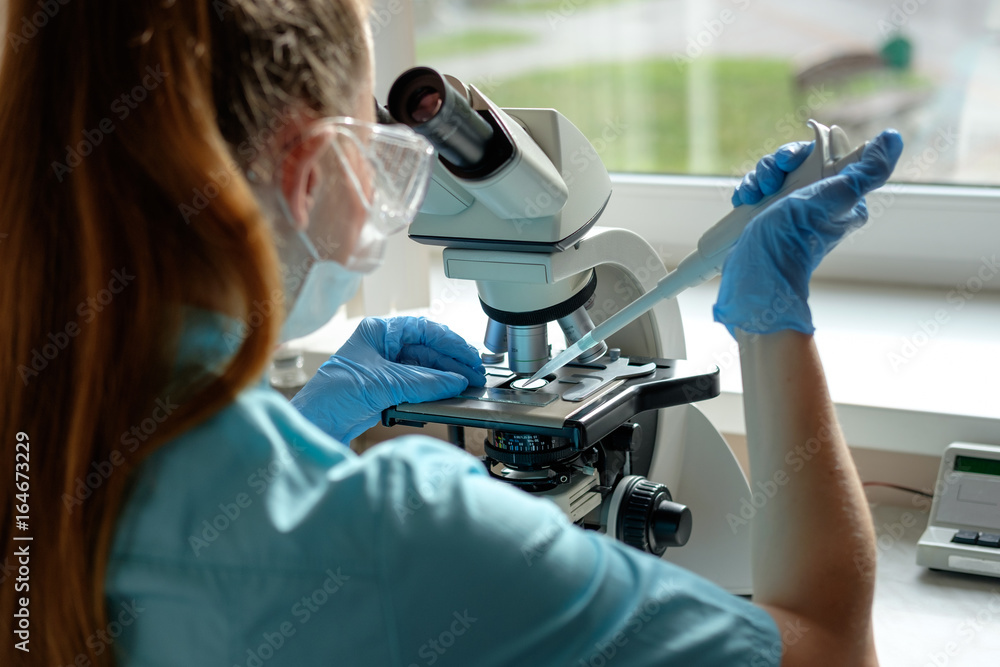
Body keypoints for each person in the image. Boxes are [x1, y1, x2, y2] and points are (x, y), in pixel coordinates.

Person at [0, 0, 902, 665]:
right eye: (377, 144)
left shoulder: (40, 444)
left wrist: (294, 439)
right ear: (311, 172)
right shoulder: (406, 538)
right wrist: (769, 312)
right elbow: (828, 644)